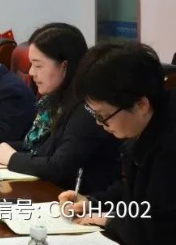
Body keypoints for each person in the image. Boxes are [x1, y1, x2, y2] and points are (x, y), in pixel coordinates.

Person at [0, 25, 121, 193]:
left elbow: (58, 167)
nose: (31, 72)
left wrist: (12, 158)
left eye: (38, 66)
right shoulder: (53, 100)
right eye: (31, 65)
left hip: (79, 200)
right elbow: (38, 148)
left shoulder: (87, 109)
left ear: (64, 66)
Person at [59, 41, 176, 244]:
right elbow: (132, 191)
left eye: (103, 115)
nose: (99, 123)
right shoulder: (145, 125)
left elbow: (160, 227)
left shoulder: (169, 144)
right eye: (94, 114)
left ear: (141, 104)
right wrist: (93, 203)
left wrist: (109, 220)